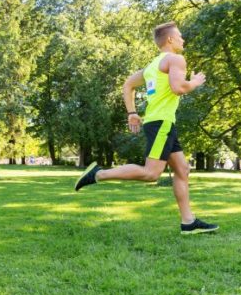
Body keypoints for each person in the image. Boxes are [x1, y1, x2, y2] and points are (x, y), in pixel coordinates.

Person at [74, 22, 218, 235]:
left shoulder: (152, 66)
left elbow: (128, 85)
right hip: (162, 123)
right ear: (169, 39)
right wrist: (195, 82)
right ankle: (98, 174)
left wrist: (132, 113)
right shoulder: (176, 59)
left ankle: (188, 221)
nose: (183, 39)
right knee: (151, 173)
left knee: (182, 169)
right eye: (179, 36)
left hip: (160, 122)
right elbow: (178, 88)